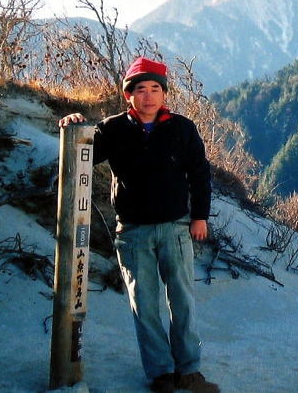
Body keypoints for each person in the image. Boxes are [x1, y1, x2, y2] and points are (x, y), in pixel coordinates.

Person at [59, 57, 219, 393]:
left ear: (164, 93)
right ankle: (161, 373)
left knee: (183, 302)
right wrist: (75, 125)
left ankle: (189, 371)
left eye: (155, 89)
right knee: (144, 305)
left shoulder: (182, 128)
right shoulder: (113, 129)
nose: (148, 96)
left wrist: (199, 216)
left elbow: (200, 173)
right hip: (133, 231)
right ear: (128, 94)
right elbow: (84, 153)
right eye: (141, 89)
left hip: (176, 227)